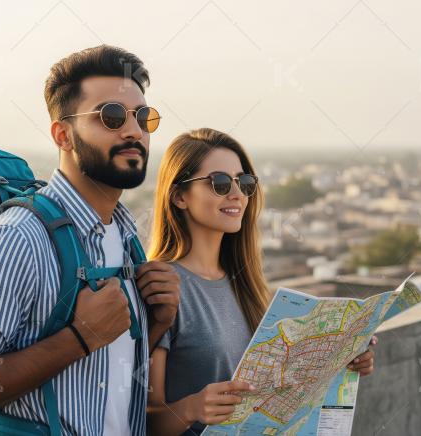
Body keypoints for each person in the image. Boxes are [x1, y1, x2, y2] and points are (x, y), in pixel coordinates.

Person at [0, 45, 181, 435]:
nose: (134, 131)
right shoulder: (18, 239)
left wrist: (156, 324)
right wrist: (79, 337)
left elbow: (104, 378)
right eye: (111, 117)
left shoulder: (126, 236)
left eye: (143, 117)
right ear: (63, 134)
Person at [146, 128, 376, 435]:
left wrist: (341, 359)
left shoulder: (244, 284)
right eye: (220, 183)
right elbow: (142, 419)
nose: (237, 194)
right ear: (178, 196)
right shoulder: (162, 285)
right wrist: (192, 408)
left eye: (244, 182)